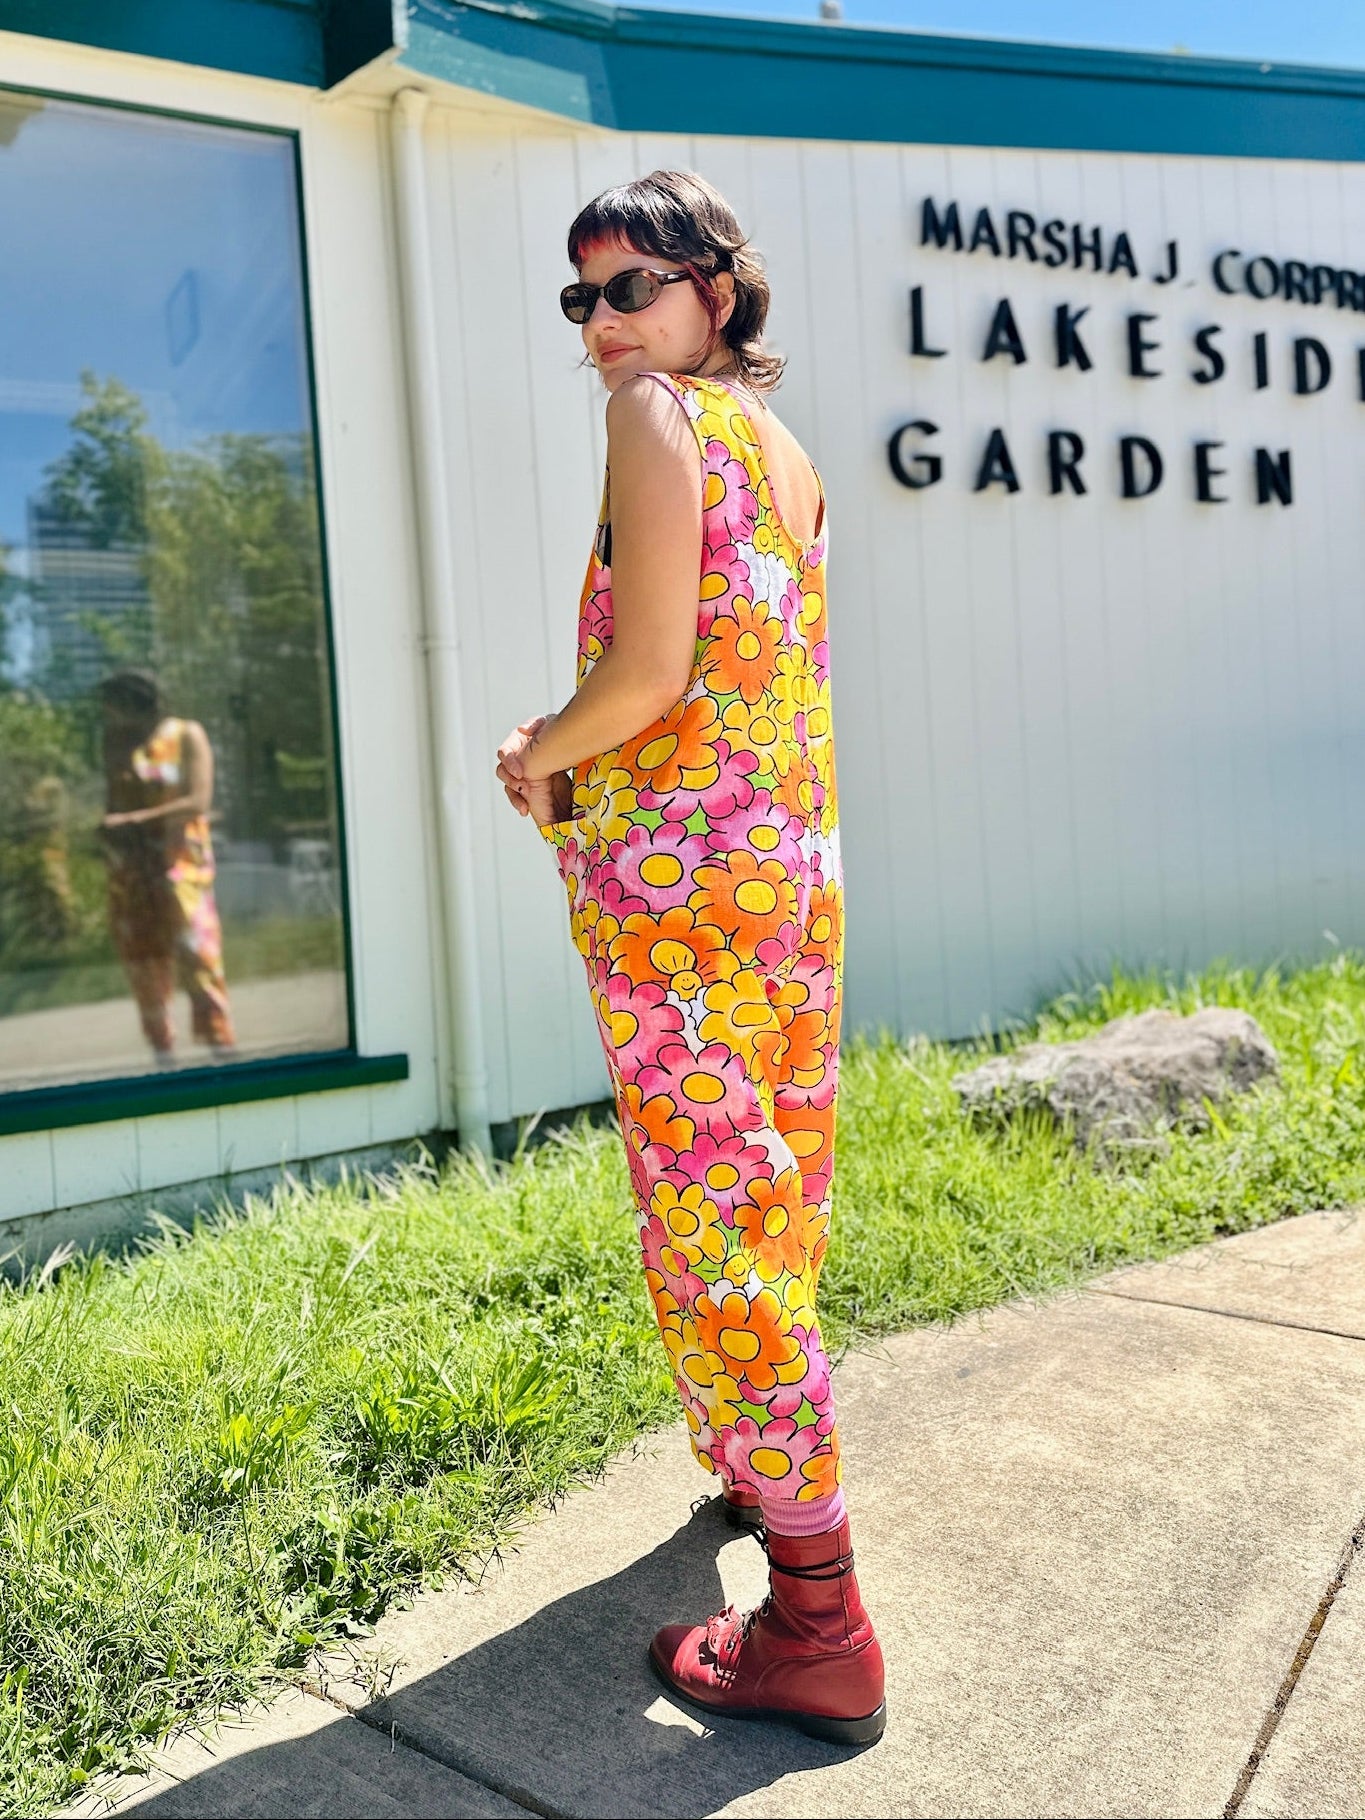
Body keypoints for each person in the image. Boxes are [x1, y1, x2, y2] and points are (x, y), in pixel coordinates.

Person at [496, 171, 884, 1745]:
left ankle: (817, 1619)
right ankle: (748, 1461)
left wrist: (539, 744)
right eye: (579, 298)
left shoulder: (657, 420)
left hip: (687, 902)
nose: (602, 326)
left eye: (633, 288)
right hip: (784, 887)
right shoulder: (785, 458)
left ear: (717, 291)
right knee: (768, 1185)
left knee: (710, 1221)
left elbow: (647, 673)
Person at [99, 668, 236, 1064]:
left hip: (181, 868)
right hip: (131, 871)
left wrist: (132, 821)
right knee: (144, 963)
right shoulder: (116, 742)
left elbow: (198, 801)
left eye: (114, 705)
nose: (108, 715)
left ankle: (221, 1050)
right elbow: (114, 798)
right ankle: (163, 1055)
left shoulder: (185, 735)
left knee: (199, 956)